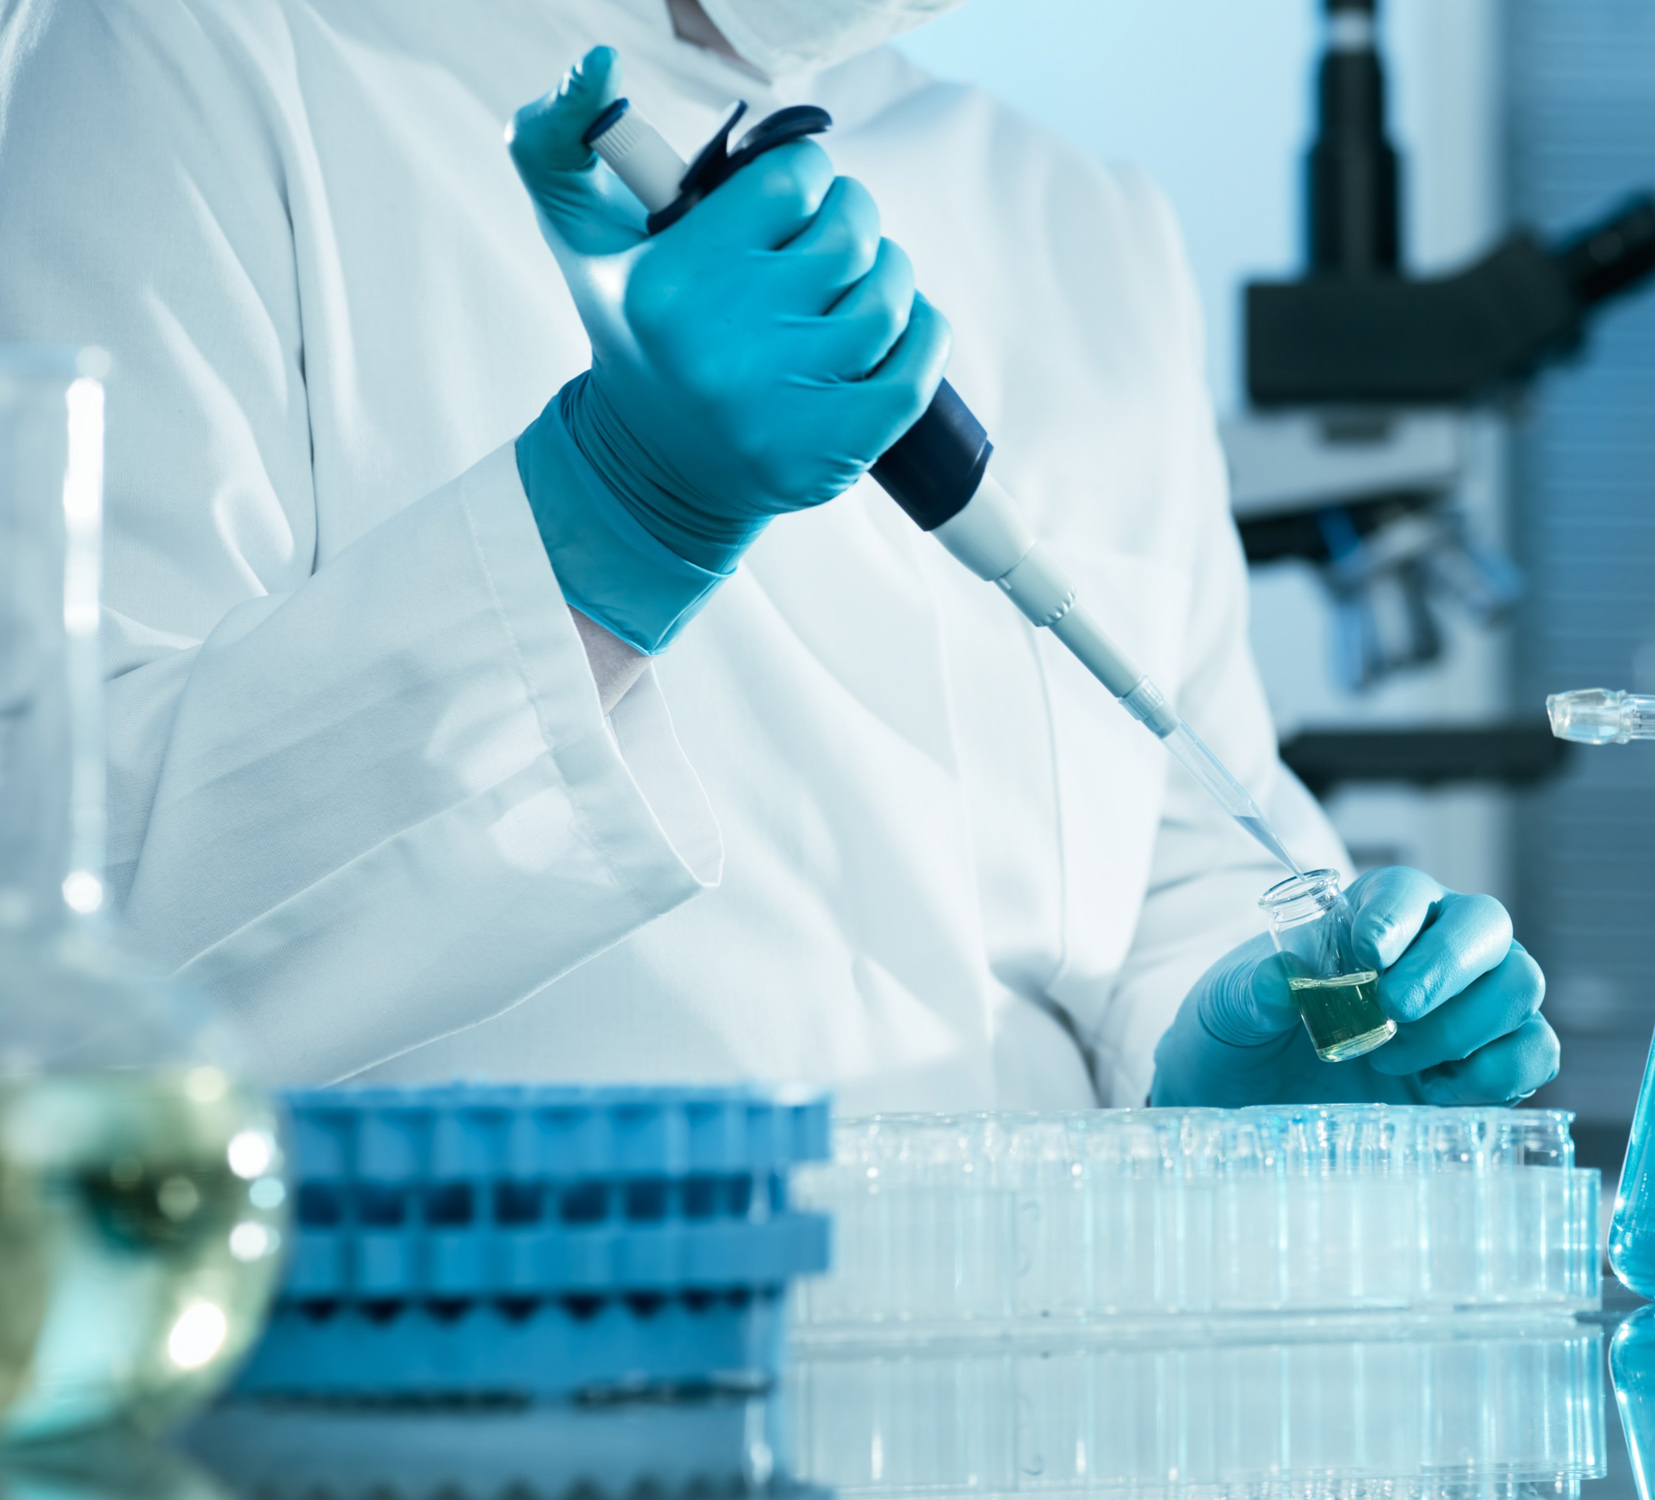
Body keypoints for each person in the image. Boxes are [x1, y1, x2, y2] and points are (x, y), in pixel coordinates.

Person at [0, 0, 1556, 1114]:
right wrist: (611, 522)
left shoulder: (1071, 210)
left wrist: (1231, 1057)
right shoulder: (188, 54)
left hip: (1039, 1405)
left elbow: (1168, 832)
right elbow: (51, 925)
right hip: (457, 1397)